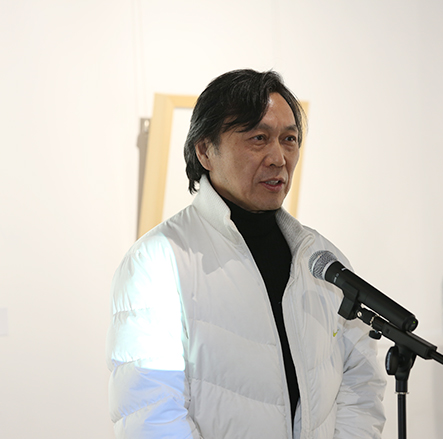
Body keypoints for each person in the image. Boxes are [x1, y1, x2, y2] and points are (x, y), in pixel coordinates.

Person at [106, 69, 386, 439]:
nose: (278, 158)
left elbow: (361, 385)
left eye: (289, 139)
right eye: (258, 138)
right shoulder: (157, 261)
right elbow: (151, 414)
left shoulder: (320, 258)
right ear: (205, 151)